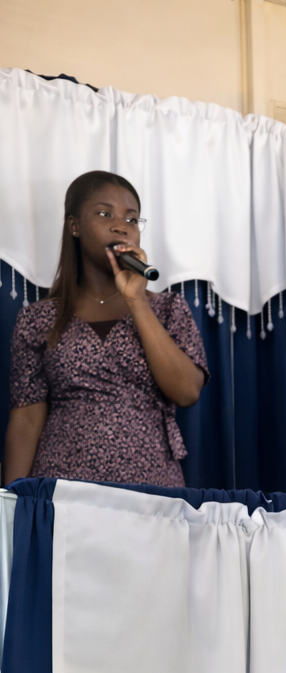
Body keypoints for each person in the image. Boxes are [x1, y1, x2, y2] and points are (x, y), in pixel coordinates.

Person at [4, 171, 207, 488]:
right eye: (104, 213)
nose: (120, 225)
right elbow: (27, 418)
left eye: (132, 218)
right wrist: (11, 507)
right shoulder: (37, 319)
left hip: (151, 492)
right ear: (74, 225)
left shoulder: (169, 309)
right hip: (64, 493)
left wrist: (136, 300)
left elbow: (186, 391)